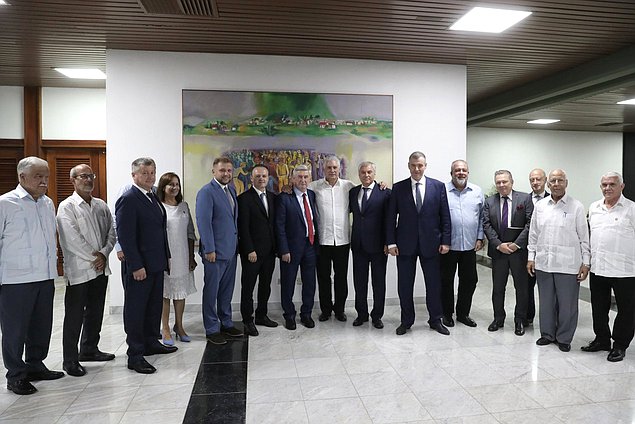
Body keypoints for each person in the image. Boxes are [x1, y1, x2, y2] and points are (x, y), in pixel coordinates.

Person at [0, 156, 63, 395]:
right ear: (22, 177)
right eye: (38, 176)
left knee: (41, 326)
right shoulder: (6, 203)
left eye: (46, 176)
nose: (44, 181)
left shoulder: (47, 203)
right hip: (16, 279)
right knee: (15, 330)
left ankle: (36, 365)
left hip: (45, 275)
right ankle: (15, 375)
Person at [116, 157, 177, 375]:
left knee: (153, 307)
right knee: (136, 310)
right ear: (134, 175)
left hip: (156, 264)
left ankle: (151, 342)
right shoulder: (129, 198)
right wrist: (136, 265)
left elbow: (160, 231)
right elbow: (126, 236)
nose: (150, 177)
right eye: (145, 173)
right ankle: (135, 354)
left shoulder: (152, 197)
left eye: (152, 173)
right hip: (139, 268)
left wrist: (166, 256)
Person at [57, 164, 116, 378]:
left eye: (91, 176)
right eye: (83, 176)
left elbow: (112, 232)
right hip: (80, 270)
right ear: (73, 180)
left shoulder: (101, 205)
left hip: (100, 269)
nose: (88, 179)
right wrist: (96, 257)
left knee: (95, 311)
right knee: (74, 316)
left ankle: (89, 349)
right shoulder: (67, 206)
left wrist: (104, 253)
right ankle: (70, 360)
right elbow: (71, 239)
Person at [386, 151, 451, 336]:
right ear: (409, 166)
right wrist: (390, 242)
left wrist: (446, 241)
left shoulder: (438, 187)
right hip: (405, 245)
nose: (417, 169)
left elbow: (445, 216)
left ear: (425, 166)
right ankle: (406, 321)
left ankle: (435, 320)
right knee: (405, 285)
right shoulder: (398, 188)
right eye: (413, 165)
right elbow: (391, 218)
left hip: (432, 245)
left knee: (434, 285)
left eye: (420, 165)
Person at [527, 169, 590, 352]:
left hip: (568, 264)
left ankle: (564, 337)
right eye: (553, 181)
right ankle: (547, 334)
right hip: (544, 263)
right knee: (546, 302)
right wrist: (531, 258)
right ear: (548, 184)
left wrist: (586, 263)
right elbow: (534, 234)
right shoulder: (541, 206)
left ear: (566, 183)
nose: (556, 184)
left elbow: (584, 237)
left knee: (567, 304)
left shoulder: (576, 206)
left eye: (559, 180)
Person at [584, 172, 635, 362]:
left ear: (622, 186)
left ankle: (620, 345)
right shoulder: (594, 208)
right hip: (599, 268)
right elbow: (590, 238)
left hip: (625, 270)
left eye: (612, 184)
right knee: (598, 308)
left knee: (626, 310)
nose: (607, 188)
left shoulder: (631, 209)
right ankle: (602, 340)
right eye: (604, 184)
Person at [196, 157, 243, 345]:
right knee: (212, 291)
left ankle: (226, 322)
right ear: (214, 171)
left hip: (231, 250)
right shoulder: (206, 192)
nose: (226, 174)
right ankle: (212, 328)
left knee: (226, 290)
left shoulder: (231, 190)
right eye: (222, 170)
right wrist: (209, 248)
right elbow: (203, 222)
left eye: (229, 170)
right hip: (214, 252)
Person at [483, 170, 533, 336]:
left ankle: (519, 320)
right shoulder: (490, 201)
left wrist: (516, 245)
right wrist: (498, 244)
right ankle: (498, 318)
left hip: (518, 252)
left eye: (505, 181)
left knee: (521, 288)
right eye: (498, 182)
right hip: (499, 252)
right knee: (498, 288)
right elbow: (486, 224)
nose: (502, 185)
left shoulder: (525, 199)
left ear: (512, 182)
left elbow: (530, 223)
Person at [309, 155, 356, 322]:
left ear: (339, 169)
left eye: (335, 167)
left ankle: (340, 310)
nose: (332, 170)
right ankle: (326, 310)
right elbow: (297, 192)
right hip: (323, 240)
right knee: (323, 277)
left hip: (343, 240)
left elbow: (367, 191)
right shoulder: (314, 187)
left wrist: (382, 185)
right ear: (323, 169)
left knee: (341, 277)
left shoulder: (349, 186)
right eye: (329, 167)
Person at [440, 160, 484, 328]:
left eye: (464, 170)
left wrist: (480, 237)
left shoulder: (477, 191)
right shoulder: (441, 190)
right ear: (451, 172)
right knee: (446, 281)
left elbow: (481, 217)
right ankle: (447, 314)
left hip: (469, 246)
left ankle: (463, 313)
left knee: (470, 280)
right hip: (448, 246)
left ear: (468, 172)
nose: (460, 173)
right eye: (457, 170)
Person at [276, 164, 319, 330]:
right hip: (291, 249)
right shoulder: (284, 198)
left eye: (306, 177)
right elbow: (279, 227)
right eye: (299, 177)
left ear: (310, 179)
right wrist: (284, 250)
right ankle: (289, 316)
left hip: (310, 245)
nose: (303, 180)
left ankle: (306, 314)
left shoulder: (313, 195)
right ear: (292, 179)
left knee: (309, 283)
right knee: (288, 283)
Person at [237, 165, 279, 336]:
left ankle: (262, 315)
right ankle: (247, 320)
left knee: (265, 286)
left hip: (269, 252)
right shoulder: (244, 199)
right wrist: (249, 250)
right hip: (252, 253)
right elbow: (243, 228)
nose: (261, 179)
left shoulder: (273, 197)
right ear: (251, 179)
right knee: (248, 288)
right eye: (258, 176)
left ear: (268, 178)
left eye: (264, 176)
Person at [156, 172, 197, 345]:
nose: (174, 187)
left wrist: (191, 256)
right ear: (163, 187)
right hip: (166, 257)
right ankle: (165, 329)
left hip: (182, 256)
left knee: (180, 294)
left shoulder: (184, 206)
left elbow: (190, 233)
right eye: (170, 184)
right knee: (165, 294)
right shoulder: (158, 206)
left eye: (177, 184)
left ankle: (179, 326)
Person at [349, 161, 390, 329]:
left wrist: (389, 242)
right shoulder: (352, 192)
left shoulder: (385, 193)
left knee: (378, 283)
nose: (366, 175)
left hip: (379, 246)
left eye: (369, 172)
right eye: (363, 172)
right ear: (359, 174)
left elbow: (389, 220)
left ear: (375, 173)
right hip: (358, 245)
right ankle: (362, 314)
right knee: (359, 283)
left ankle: (377, 316)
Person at [527, 168, 549, 325]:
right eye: (532, 180)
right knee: (527, 288)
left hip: (548, 254)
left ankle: (549, 321)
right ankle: (528, 317)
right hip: (529, 253)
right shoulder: (523, 199)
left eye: (538, 179)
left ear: (545, 180)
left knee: (547, 291)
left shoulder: (554, 199)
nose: (535, 182)